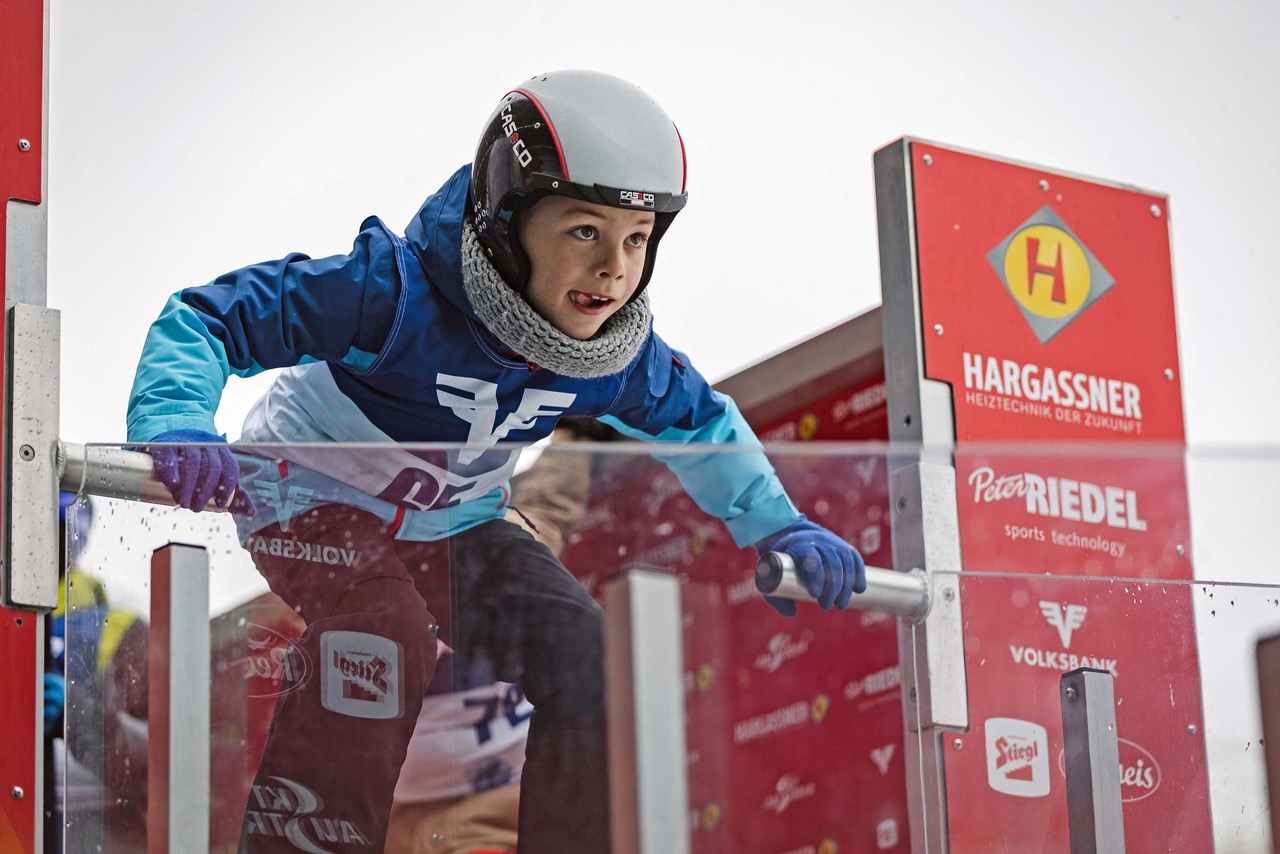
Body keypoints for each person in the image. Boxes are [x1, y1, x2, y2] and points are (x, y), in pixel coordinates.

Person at [125, 70, 866, 853]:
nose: (615, 267)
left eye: (636, 239)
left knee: (587, 658)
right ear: (509, 219)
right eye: (584, 231)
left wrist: (777, 527)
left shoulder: (610, 358)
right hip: (311, 494)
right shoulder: (392, 295)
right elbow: (211, 318)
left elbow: (701, 424)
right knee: (380, 629)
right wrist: (177, 415)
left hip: (456, 524)